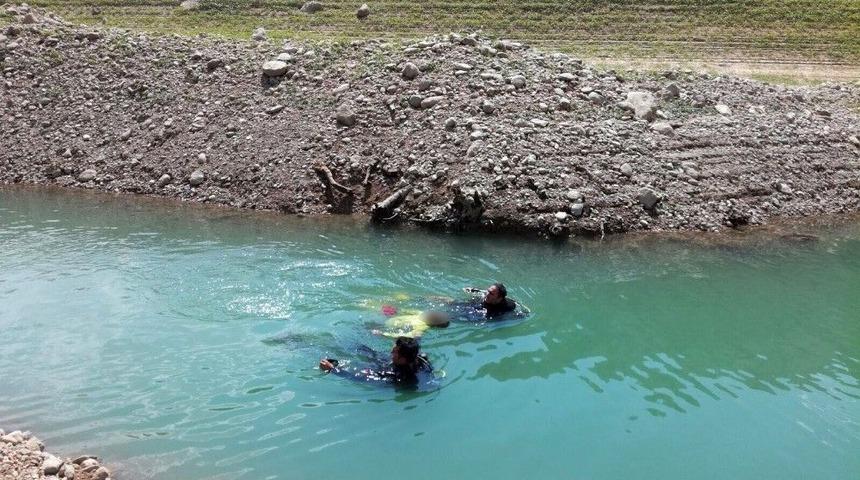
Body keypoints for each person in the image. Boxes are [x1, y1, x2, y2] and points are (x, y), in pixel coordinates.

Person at [319, 336, 433, 386]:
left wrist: (333, 370)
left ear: (403, 359)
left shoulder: (396, 376)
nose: (391, 351)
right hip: (389, 363)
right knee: (362, 349)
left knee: (366, 360)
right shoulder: (419, 358)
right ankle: (330, 342)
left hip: (387, 368)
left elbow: (360, 378)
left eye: (394, 352)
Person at [372, 310, 450, 338]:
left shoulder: (422, 328)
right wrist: (396, 310)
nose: (432, 312)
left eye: (434, 315)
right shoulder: (422, 314)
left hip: (386, 327)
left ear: (433, 322)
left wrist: (384, 334)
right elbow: (407, 311)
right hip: (388, 319)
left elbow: (406, 335)